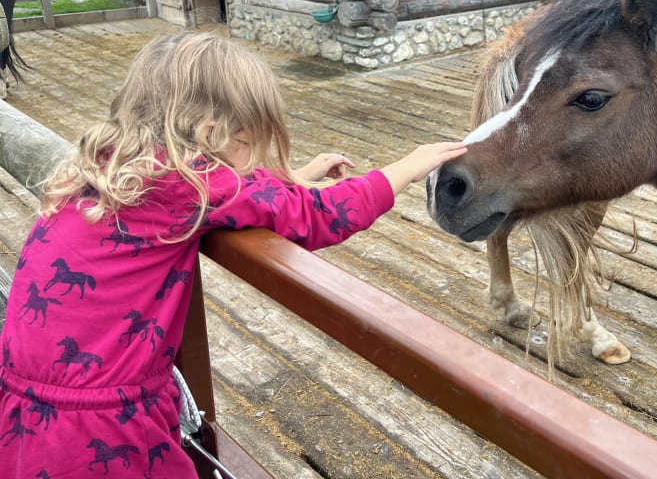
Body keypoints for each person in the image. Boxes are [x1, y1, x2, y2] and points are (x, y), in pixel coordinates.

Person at [0, 31, 467, 477]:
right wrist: (407, 166)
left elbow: (240, 192)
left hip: (26, 411)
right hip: (103, 428)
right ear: (211, 134)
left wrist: (294, 176)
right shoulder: (191, 181)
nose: (253, 155)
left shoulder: (108, 166)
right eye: (248, 140)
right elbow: (319, 215)